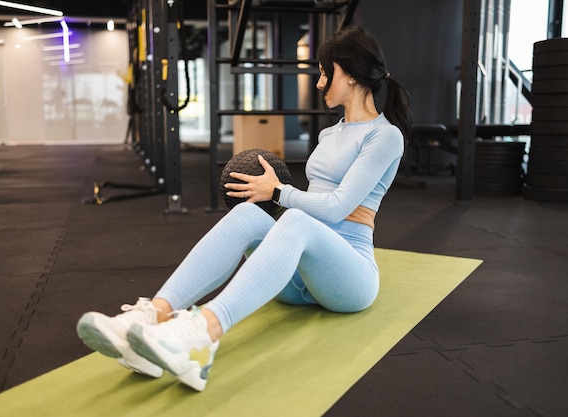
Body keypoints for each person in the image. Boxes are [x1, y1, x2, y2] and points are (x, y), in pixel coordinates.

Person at [76, 25, 412, 392]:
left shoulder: (385, 136)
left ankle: (203, 334)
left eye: (324, 72)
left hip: (349, 277)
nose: (319, 83)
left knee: (294, 218)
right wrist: (270, 193)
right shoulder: (329, 133)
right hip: (300, 277)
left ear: (346, 73)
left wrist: (279, 191)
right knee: (249, 213)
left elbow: (336, 208)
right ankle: (153, 315)